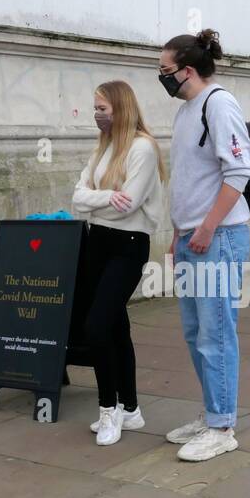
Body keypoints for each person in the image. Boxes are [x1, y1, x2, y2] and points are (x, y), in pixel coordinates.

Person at [157, 29, 250, 462]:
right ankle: (212, 411)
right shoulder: (186, 110)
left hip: (217, 237)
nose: (162, 78)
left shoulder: (219, 104)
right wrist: (179, 233)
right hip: (193, 237)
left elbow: (238, 172)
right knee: (197, 332)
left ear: (188, 70)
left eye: (165, 70)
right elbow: (189, 180)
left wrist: (207, 228)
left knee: (217, 332)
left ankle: (223, 425)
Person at [72, 81, 166, 446]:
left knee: (95, 327)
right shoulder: (104, 148)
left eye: (102, 109)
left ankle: (108, 410)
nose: (97, 115)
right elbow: (77, 197)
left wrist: (98, 199)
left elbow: (131, 200)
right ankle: (131, 408)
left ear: (121, 108)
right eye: (95, 108)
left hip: (128, 245)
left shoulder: (141, 147)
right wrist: (107, 195)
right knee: (114, 329)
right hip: (98, 241)